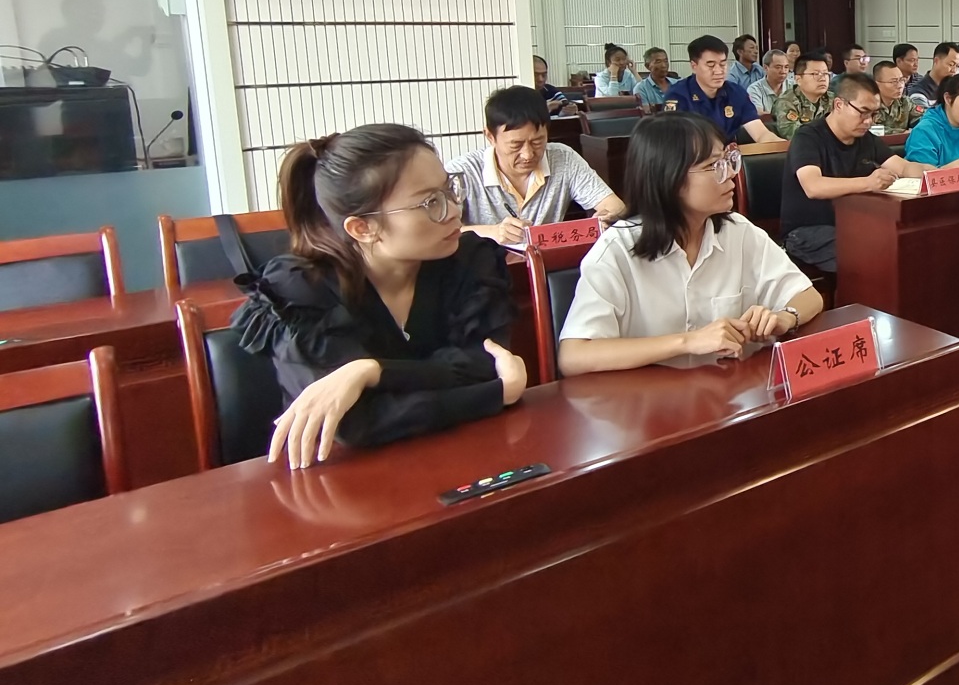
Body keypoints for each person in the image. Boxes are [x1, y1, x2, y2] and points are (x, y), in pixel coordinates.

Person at [233, 124, 528, 470]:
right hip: (343, 478)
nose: (453, 211)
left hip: (465, 457)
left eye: (449, 189)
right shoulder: (299, 289)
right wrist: (495, 394)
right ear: (363, 228)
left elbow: (486, 364)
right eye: (430, 202)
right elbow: (355, 424)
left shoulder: (471, 259)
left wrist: (371, 372)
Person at [556, 114, 824, 374]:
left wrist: (784, 318)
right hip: (648, 397)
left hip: (728, 390)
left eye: (728, 160)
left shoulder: (738, 231)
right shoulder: (617, 250)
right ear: (669, 177)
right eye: (714, 166)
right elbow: (574, 356)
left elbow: (808, 297)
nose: (731, 174)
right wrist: (688, 341)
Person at [781, 73, 930, 269]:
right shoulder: (808, 137)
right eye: (863, 112)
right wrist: (868, 183)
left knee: (909, 241)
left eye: (874, 114)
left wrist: (942, 172)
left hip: (852, 223)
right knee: (872, 252)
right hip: (806, 232)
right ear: (839, 105)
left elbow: (903, 167)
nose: (868, 121)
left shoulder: (865, 139)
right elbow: (813, 186)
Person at [450, 87, 627, 247]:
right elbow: (441, 232)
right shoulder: (463, 172)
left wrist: (605, 218)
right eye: (515, 145)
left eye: (537, 142)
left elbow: (616, 206)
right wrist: (493, 232)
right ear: (490, 136)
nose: (528, 155)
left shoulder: (563, 158)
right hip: (487, 269)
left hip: (549, 266)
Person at [657, 35, 781, 145]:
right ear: (694, 66)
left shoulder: (736, 93)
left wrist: (786, 148)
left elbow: (761, 134)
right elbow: (672, 143)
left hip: (728, 159)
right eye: (711, 65)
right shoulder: (678, 95)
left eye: (722, 64)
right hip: (692, 159)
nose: (718, 71)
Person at [771, 54, 834, 138]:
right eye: (815, 74)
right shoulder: (786, 102)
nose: (823, 78)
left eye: (825, 73)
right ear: (798, 79)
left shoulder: (834, 99)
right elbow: (795, 134)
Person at [871, 59, 922, 134]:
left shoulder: (905, 102)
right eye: (893, 81)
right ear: (876, 84)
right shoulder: (869, 105)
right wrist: (904, 133)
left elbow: (923, 120)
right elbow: (872, 130)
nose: (900, 86)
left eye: (901, 80)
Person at [907, 42, 959, 108]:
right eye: (951, 64)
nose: (954, 70)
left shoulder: (954, 89)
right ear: (936, 61)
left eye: (957, 66)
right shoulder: (919, 93)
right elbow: (925, 115)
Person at [748, 49, 791, 115]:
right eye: (778, 67)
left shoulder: (794, 86)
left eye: (786, 67)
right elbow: (758, 114)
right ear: (766, 68)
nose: (783, 71)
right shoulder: (755, 89)